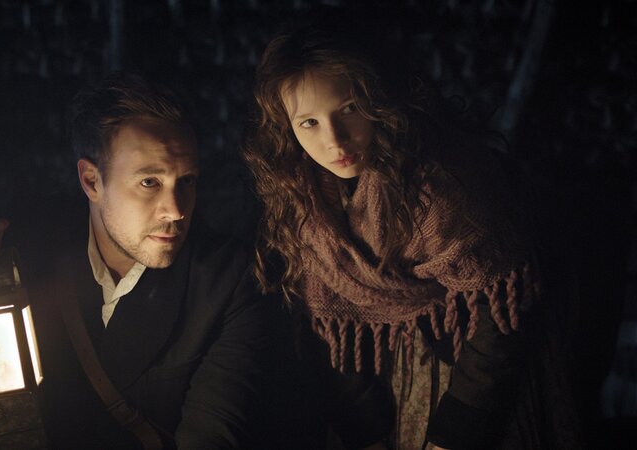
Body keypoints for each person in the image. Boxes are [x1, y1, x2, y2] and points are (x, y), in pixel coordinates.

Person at [242, 15, 583, 450]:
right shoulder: (305, 201)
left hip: (483, 380)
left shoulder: (442, 183)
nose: (335, 140)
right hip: (393, 386)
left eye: (350, 108)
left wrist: (456, 433)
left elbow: (503, 319)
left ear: (380, 98)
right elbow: (327, 330)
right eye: (309, 122)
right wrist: (365, 434)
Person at [0, 73, 277, 449]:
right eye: (149, 182)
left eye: (187, 181)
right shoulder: (32, 244)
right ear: (91, 181)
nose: (176, 210)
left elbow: (213, 433)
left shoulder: (225, 281)